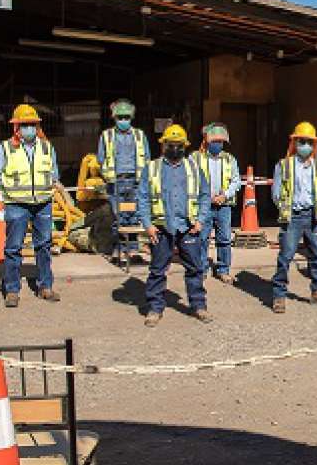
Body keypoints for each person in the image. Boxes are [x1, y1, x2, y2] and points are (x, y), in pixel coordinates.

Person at [0, 103, 62, 307]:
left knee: (44, 246)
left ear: (37, 127)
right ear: (16, 127)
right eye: (25, 124)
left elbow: (54, 174)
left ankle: (45, 286)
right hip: (17, 206)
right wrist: (9, 191)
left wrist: (48, 189)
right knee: (13, 248)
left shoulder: (47, 148)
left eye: (32, 124)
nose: (29, 128)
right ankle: (12, 290)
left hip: (43, 204)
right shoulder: (5, 149)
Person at [137, 124, 211, 327]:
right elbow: (142, 198)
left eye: (179, 145)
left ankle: (198, 305)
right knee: (158, 269)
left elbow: (205, 195)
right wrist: (148, 225)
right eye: (171, 145)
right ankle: (155, 308)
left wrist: (201, 220)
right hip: (161, 227)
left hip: (188, 226)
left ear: (185, 146)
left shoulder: (194, 168)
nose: (175, 149)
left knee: (195, 268)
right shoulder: (151, 168)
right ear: (163, 146)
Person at [271, 122, 317, 313]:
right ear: (294, 142)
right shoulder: (283, 165)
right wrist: (285, 209)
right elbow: (276, 193)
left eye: (309, 142)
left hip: (313, 216)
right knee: (286, 256)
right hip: (293, 217)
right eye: (302, 141)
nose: (305, 145)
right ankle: (279, 295)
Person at [95, 98, 150, 257]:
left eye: (126, 117)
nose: (123, 121)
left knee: (133, 215)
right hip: (115, 182)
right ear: (115, 118)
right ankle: (119, 248)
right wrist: (107, 175)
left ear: (131, 118)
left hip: (135, 181)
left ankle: (132, 249)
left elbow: (146, 157)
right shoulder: (107, 136)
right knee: (117, 216)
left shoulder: (140, 136)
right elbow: (100, 159)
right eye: (120, 118)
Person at [197, 122, 241, 283]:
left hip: (224, 206)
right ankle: (201, 269)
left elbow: (236, 181)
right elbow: (191, 180)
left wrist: (225, 195)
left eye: (221, 142)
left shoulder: (230, 159)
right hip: (204, 206)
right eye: (215, 141)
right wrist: (205, 197)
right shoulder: (196, 158)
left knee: (224, 238)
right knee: (202, 238)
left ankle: (223, 269)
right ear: (207, 141)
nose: (218, 145)